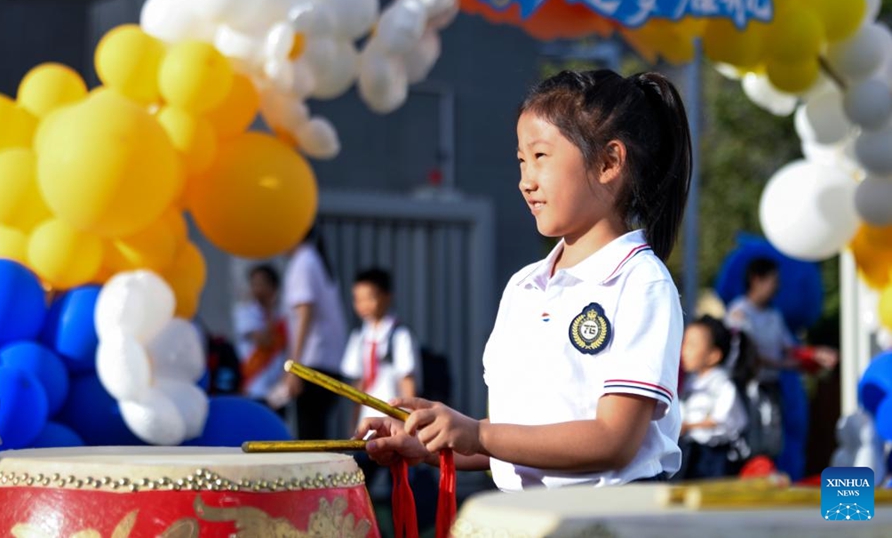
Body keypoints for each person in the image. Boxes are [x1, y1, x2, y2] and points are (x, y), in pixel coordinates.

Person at [355, 69, 693, 489]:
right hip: (527, 515)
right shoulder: (523, 286)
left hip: (610, 516)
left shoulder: (641, 282)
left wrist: (478, 433)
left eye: (540, 156)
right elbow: (517, 438)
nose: (525, 181)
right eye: (521, 160)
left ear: (608, 163)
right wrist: (433, 442)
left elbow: (614, 439)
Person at [724, 257, 838, 457]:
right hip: (746, 390)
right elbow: (751, 355)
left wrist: (816, 354)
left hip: (771, 389)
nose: (777, 286)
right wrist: (787, 364)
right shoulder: (739, 312)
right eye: (773, 280)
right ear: (756, 279)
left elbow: (790, 347)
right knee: (750, 445)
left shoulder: (774, 315)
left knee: (772, 444)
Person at [280, 227, 349, 440]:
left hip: (312, 362)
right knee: (316, 433)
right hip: (326, 361)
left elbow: (305, 313)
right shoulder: (314, 259)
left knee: (310, 437)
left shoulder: (304, 262)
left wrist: (294, 365)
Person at [341, 268, 420, 432]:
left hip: (394, 420)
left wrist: (410, 423)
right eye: (358, 299)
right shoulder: (359, 337)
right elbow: (358, 384)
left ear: (387, 297)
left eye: (369, 298)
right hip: (366, 421)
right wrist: (353, 423)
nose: (363, 305)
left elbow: (407, 381)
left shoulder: (400, 335)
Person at [676, 315, 751, 479]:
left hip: (715, 456)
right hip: (691, 451)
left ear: (713, 355)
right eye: (684, 343)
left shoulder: (723, 384)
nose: (684, 351)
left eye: (691, 345)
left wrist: (688, 426)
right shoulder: (690, 381)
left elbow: (721, 420)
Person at [231, 264, 286, 409]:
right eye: (254, 284)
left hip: (277, 390)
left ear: (273, 287)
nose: (257, 289)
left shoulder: (282, 315)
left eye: (262, 284)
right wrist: (269, 310)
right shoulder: (245, 312)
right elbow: (264, 341)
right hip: (254, 386)